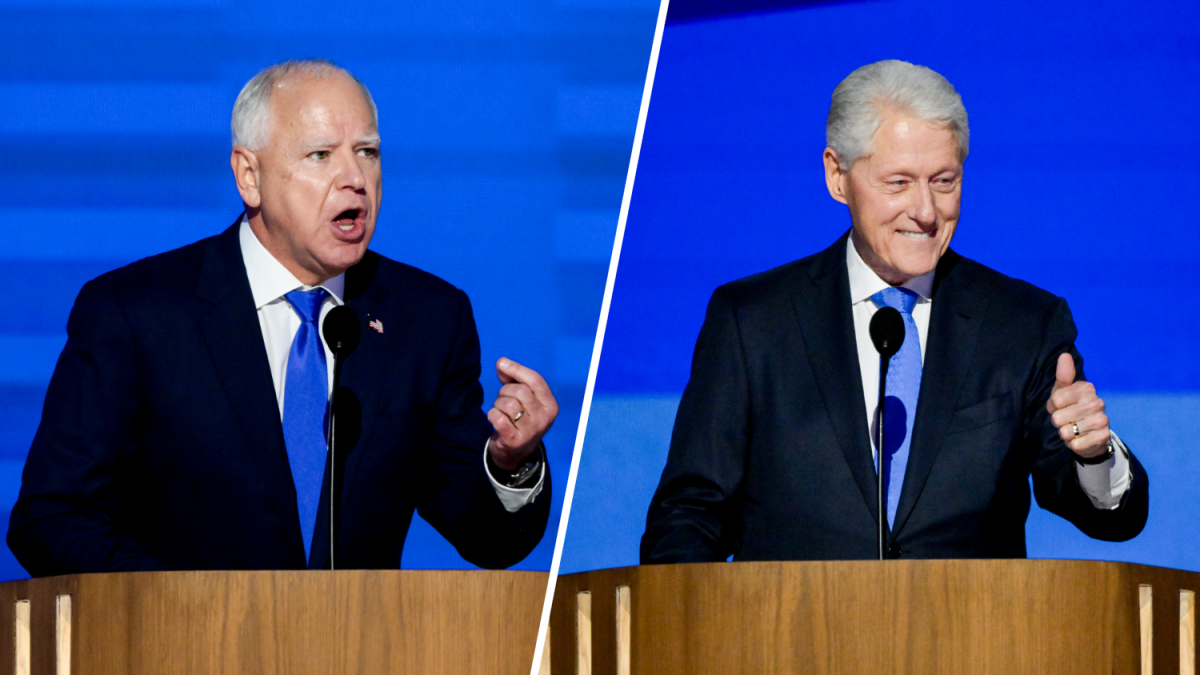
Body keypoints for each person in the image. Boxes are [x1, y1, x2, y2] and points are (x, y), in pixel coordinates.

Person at [9, 60, 556, 575]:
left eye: (367, 152)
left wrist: (511, 462)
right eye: (321, 155)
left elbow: (487, 536)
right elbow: (52, 518)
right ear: (250, 176)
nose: (355, 179)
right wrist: (188, 612)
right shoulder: (136, 314)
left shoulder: (427, 320)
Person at [641, 60, 1148, 563]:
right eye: (899, 183)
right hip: (789, 637)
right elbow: (690, 516)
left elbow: (1111, 517)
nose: (926, 211)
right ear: (838, 176)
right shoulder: (752, 323)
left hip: (975, 639)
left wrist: (1094, 454)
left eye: (944, 181)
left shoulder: (1024, 324)